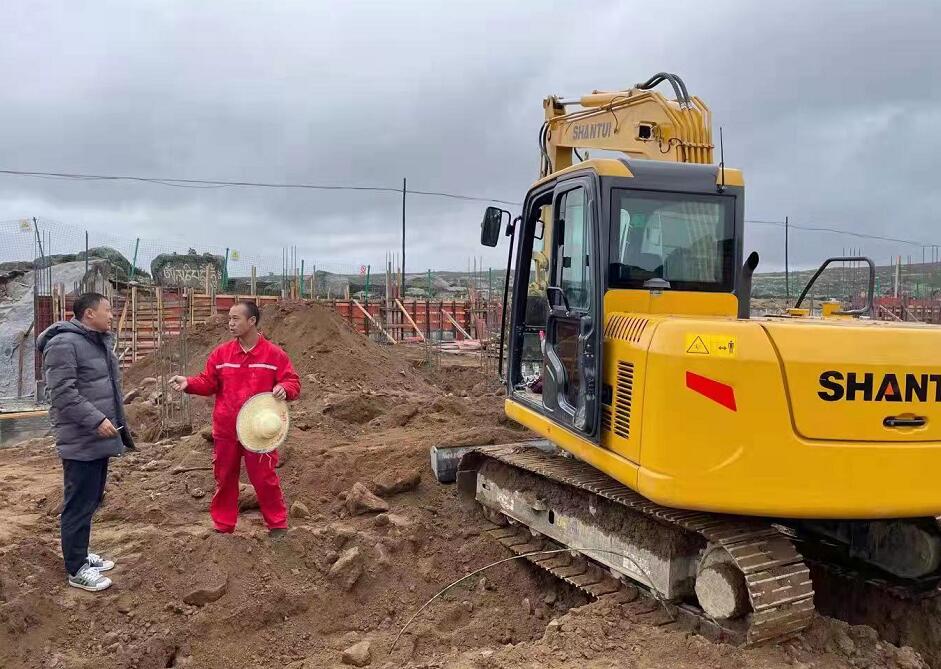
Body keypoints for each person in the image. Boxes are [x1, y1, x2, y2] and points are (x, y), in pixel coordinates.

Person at [170, 300, 300, 536]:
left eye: (235, 319)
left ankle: (277, 525)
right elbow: (208, 381)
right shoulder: (222, 353)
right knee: (225, 478)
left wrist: (285, 388)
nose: (230, 323)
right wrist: (188, 383)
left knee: (265, 479)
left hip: (259, 432)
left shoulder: (274, 355)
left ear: (252, 321)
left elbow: (292, 381)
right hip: (226, 429)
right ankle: (223, 525)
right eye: (229, 318)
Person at [37, 292, 129, 592]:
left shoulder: (95, 341)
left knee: (90, 500)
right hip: (82, 438)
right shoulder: (64, 344)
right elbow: (62, 394)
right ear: (89, 314)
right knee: (78, 504)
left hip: (97, 439)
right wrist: (96, 420)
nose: (111, 314)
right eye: (107, 309)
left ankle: (80, 554)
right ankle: (76, 569)